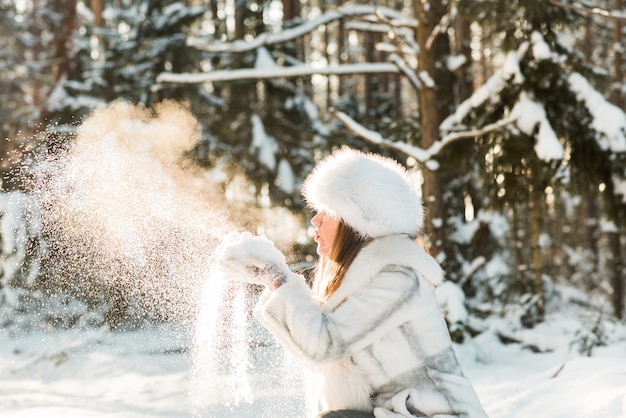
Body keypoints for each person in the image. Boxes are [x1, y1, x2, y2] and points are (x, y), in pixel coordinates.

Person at [215, 147, 489, 418]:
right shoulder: (364, 280)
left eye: (326, 210)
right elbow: (321, 354)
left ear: (358, 222)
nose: (315, 220)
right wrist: (272, 280)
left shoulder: (399, 278)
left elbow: (327, 345)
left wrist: (280, 279)